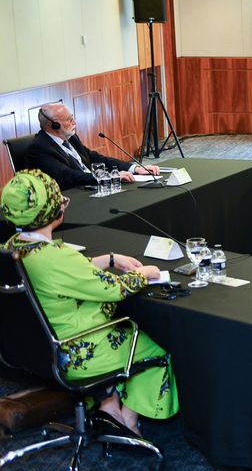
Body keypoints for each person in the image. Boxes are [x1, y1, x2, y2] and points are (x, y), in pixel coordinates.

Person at [1, 169, 178, 437]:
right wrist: (145, 273)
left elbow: (67, 273)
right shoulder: (56, 258)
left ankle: (108, 405)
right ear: (54, 211)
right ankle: (127, 421)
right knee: (157, 346)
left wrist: (109, 259)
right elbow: (116, 289)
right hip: (78, 353)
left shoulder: (12, 248)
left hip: (35, 350)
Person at [26, 102, 161, 190]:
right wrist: (109, 177)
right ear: (54, 125)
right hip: (76, 195)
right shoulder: (39, 149)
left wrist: (134, 168)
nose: (74, 122)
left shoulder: (71, 138)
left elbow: (94, 158)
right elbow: (68, 176)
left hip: (95, 187)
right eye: (69, 120)